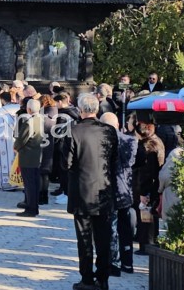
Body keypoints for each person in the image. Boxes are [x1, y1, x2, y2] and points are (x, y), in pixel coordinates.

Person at [65, 93, 117, 290]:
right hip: (103, 190)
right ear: (96, 110)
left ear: (81, 110)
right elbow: (113, 161)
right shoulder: (109, 131)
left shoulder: (74, 132)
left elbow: (66, 163)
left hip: (82, 192)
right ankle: (102, 278)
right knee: (103, 238)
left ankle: (87, 278)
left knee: (85, 239)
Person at [101, 112, 137, 276]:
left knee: (112, 229)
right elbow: (131, 163)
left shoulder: (102, 142)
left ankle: (114, 264)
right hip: (124, 188)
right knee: (126, 228)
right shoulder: (130, 140)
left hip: (109, 188)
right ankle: (127, 263)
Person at [133, 115, 164, 255]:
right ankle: (148, 242)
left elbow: (147, 171)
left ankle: (146, 245)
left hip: (148, 186)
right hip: (152, 185)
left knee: (146, 217)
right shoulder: (155, 142)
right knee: (148, 216)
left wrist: (143, 192)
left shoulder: (149, 145)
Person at [14, 99, 43, 216]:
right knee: (34, 183)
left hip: (28, 156)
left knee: (29, 184)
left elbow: (22, 139)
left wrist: (16, 147)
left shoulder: (29, 122)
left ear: (28, 109)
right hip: (37, 156)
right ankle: (33, 206)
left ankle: (31, 208)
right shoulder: (41, 119)